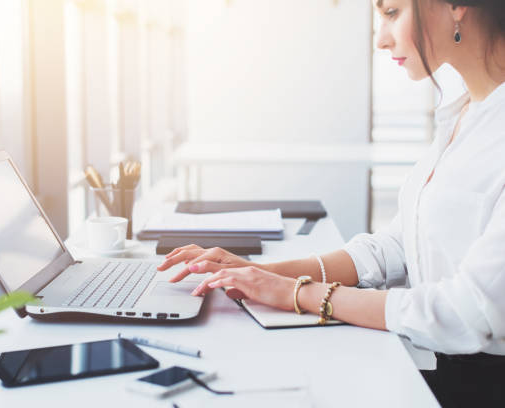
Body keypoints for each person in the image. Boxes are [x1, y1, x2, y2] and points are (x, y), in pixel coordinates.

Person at [158, 1, 505, 406]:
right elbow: (397, 247)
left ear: (456, 6)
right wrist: (259, 273)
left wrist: (299, 294)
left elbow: (468, 313)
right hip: (444, 367)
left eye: (392, 12)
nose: (380, 39)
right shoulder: (464, 111)